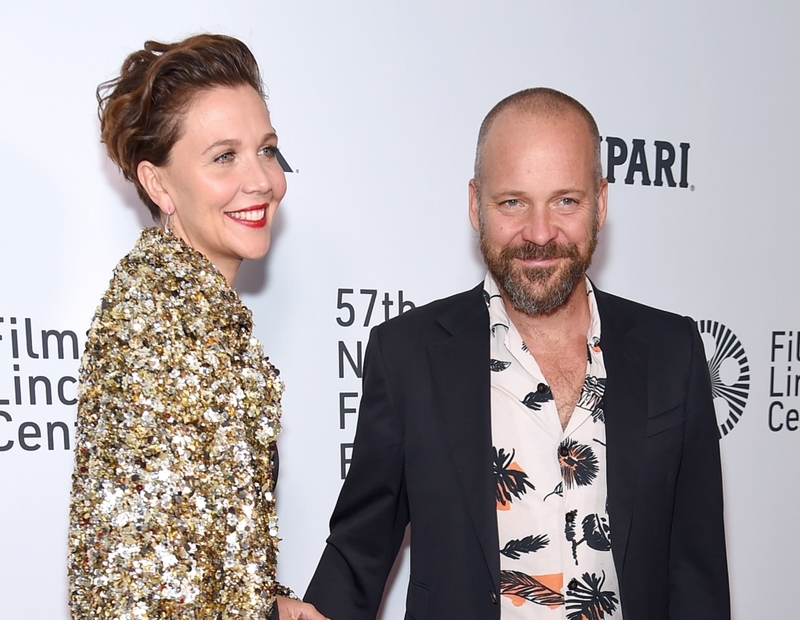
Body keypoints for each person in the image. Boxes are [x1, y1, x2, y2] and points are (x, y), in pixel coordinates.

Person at [304, 88, 730, 619]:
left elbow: (697, 573)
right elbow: (361, 547)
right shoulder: (409, 355)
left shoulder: (673, 351)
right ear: (474, 204)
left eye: (565, 201)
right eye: (513, 202)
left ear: (601, 203)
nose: (540, 233)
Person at [68, 34, 326, 620]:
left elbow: (195, 547)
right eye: (223, 157)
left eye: (267, 149)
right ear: (159, 184)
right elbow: (140, 589)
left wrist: (271, 604)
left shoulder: (192, 310)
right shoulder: (162, 327)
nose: (262, 179)